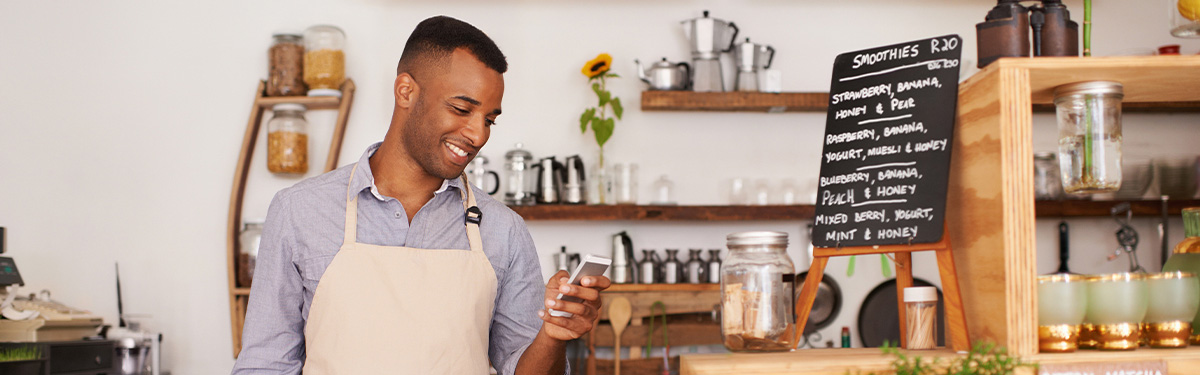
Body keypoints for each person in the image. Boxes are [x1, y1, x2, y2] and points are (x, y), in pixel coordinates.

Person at [232, 16, 610, 374]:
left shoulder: (504, 230)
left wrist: (552, 336)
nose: (479, 136)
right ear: (406, 91)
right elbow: (265, 365)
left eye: (489, 120)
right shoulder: (299, 211)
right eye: (462, 109)